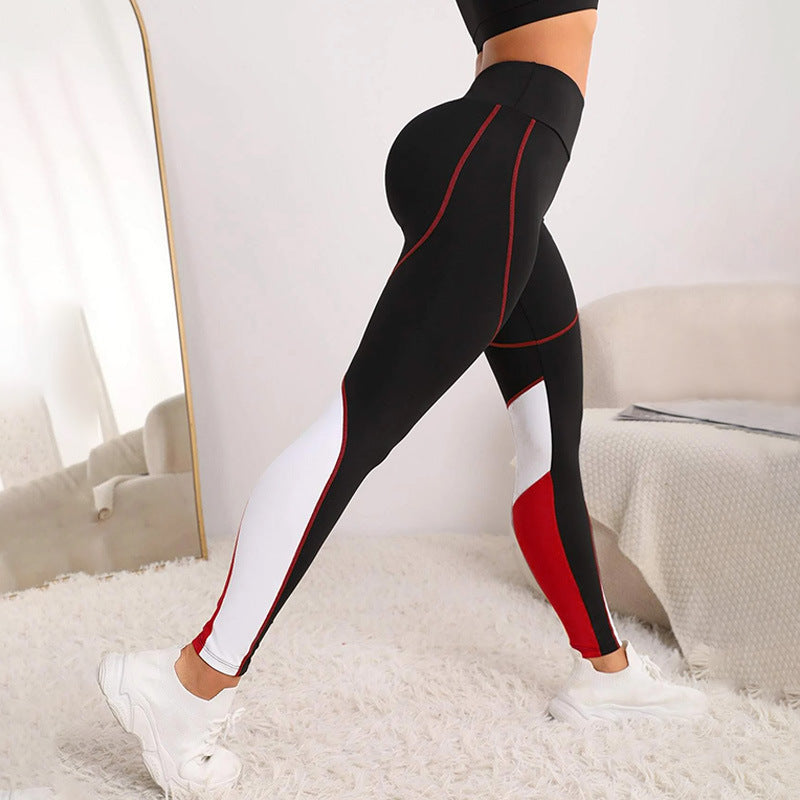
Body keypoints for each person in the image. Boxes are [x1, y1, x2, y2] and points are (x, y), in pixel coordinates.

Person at [98, 2, 709, 795]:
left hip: (499, 156)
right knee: (357, 429)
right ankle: (187, 686)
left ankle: (607, 675)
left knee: (548, 437)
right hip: (497, 154)